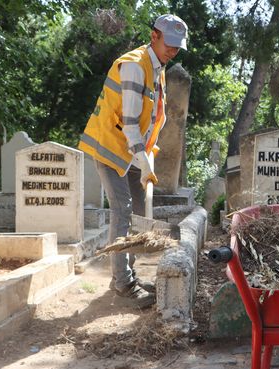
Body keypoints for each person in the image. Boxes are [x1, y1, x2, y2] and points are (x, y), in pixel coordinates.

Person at [78, 14, 188, 308]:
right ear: (154, 36)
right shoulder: (134, 66)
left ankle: (128, 275)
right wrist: (145, 160)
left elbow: (151, 119)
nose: (173, 51)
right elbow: (129, 123)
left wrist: (146, 154)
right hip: (112, 147)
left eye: (178, 47)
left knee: (138, 212)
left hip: (134, 152)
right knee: (123, 209)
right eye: (169, 44)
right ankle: (123, 284)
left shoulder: (157, 68)